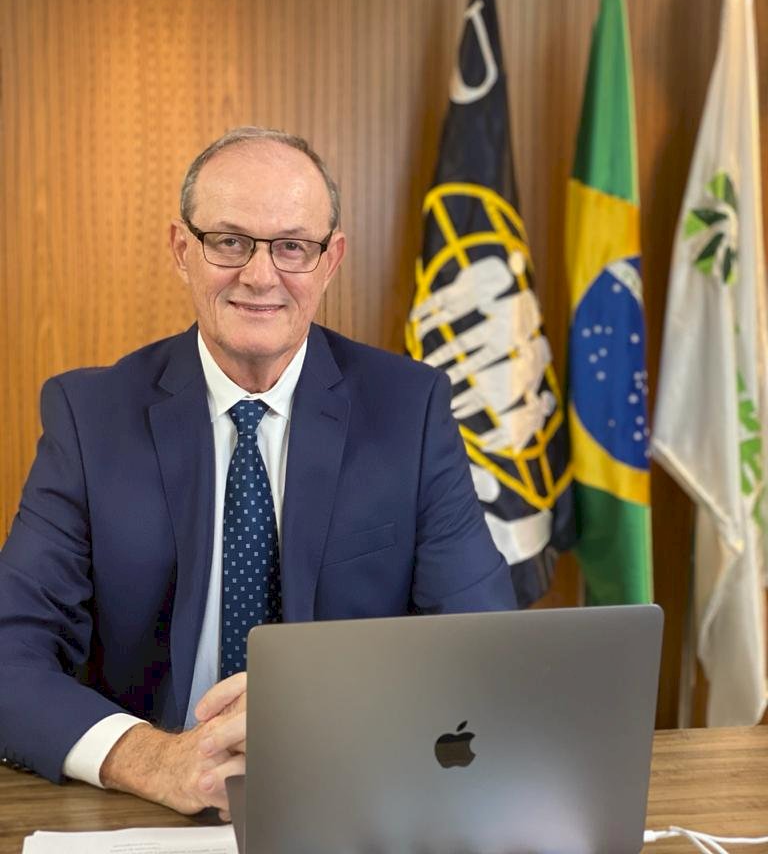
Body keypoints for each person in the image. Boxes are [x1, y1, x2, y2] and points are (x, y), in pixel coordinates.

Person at [0, 127, 517, 817]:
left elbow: (482, 648)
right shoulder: (91, 417)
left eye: (292, 247)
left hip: (350, 794)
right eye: (229, 241)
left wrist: (322, 712)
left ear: (331, 260)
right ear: (181, 250)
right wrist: (151, 759)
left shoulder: (409, 411)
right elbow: (9, 652)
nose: (260, 275)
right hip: (145, 810)